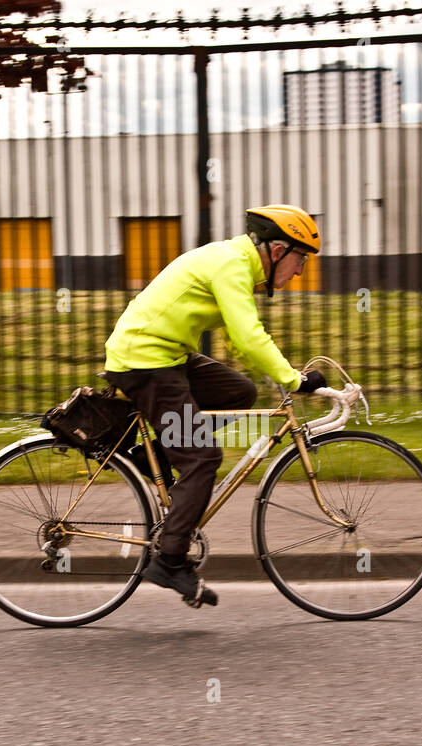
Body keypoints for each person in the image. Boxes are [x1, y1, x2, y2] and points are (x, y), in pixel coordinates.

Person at [104, 204, 329, 609]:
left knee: (238, 392)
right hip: (146, 361)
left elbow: (245, 338)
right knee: (202, 459)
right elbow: (247, 335)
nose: (300, 272)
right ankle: (170, 560)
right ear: (278, 250)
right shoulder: (231, 264)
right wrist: (294, 379)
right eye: (301, 259)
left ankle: (153, 453)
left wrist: (278, 371)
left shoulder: (235, 261)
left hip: (166, 354)